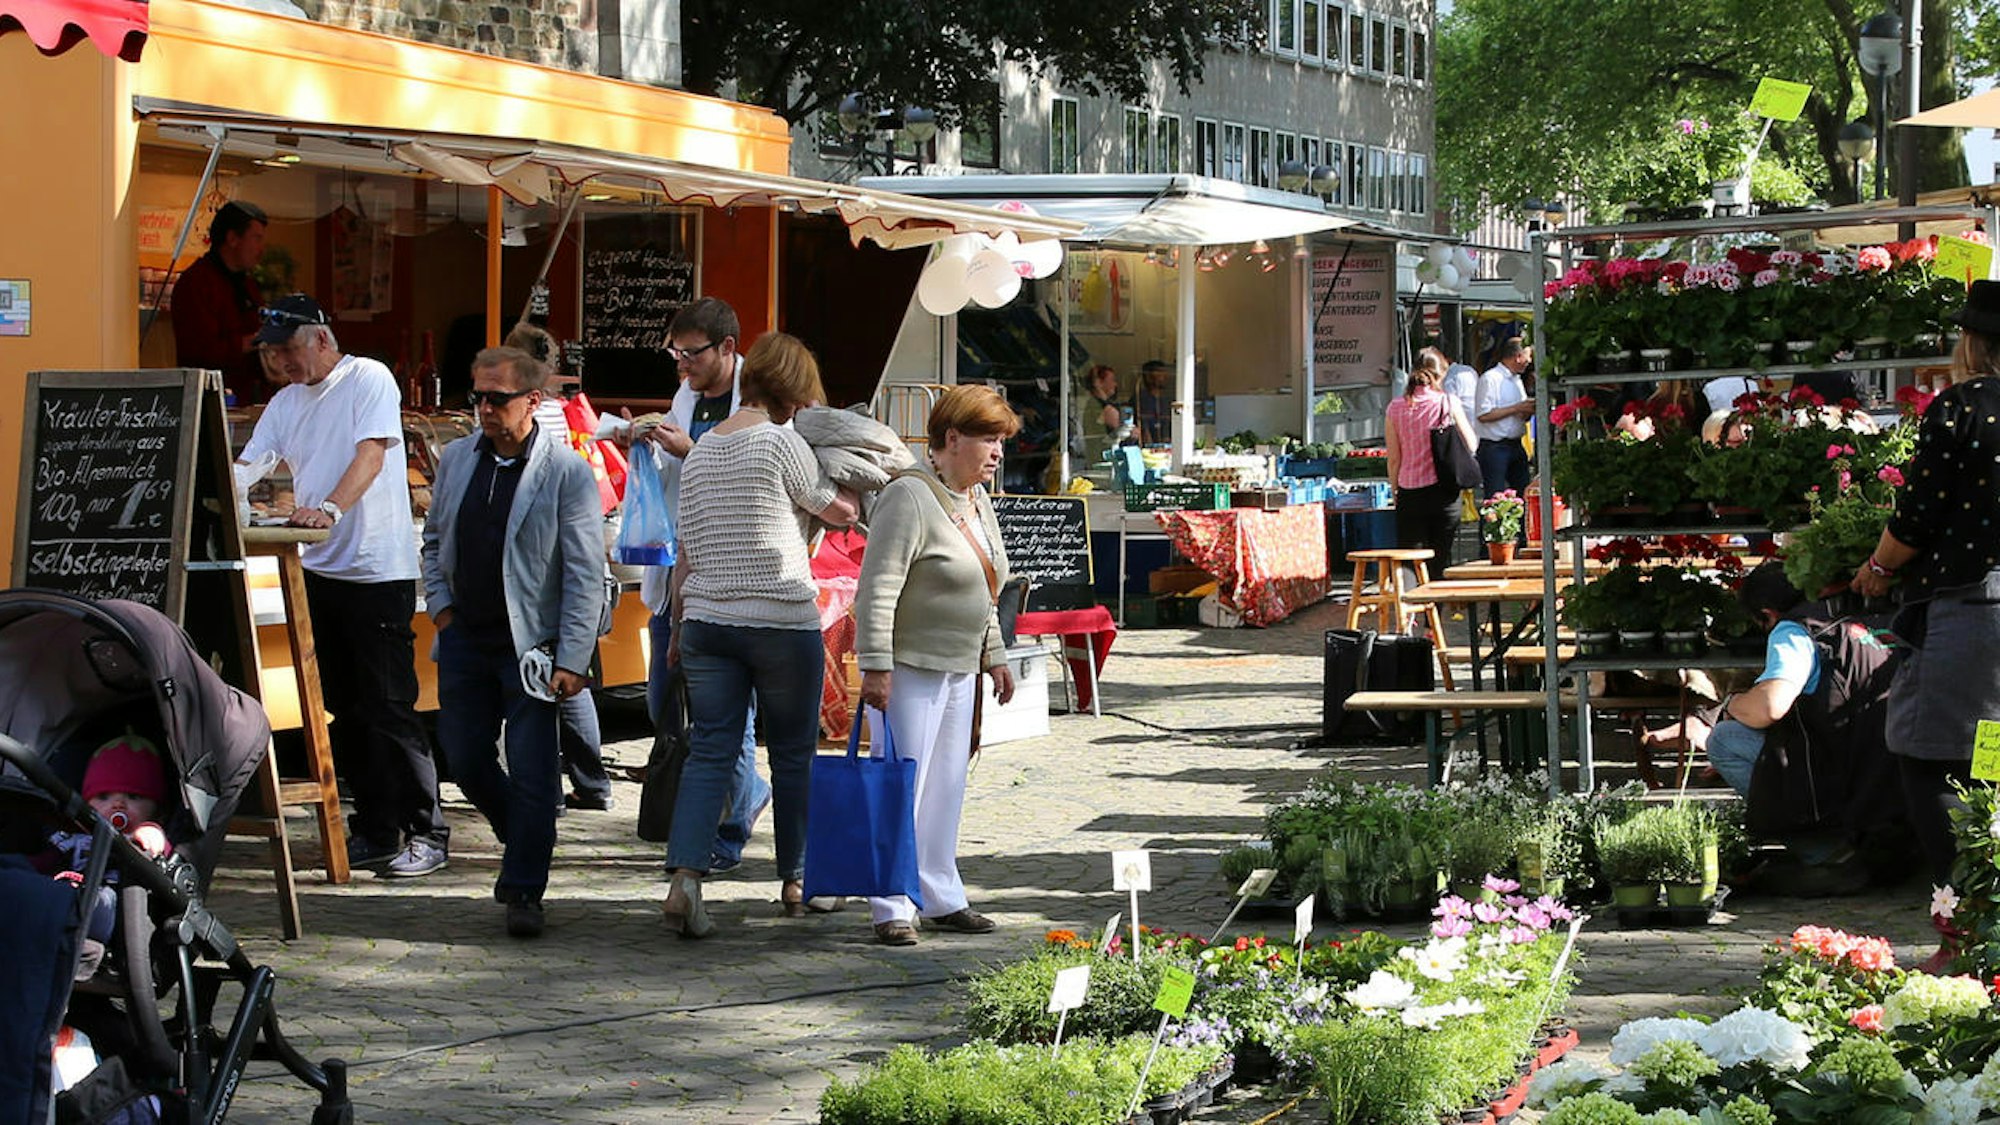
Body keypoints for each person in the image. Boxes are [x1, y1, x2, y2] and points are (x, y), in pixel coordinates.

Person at [240, 295, 449, 879]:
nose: (282, 361)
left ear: (323, 339)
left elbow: (372, 454)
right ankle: (375, 828)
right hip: (319, 569)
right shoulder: (284, 402)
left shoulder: (367, 378)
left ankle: (427, 829)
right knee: (342, 707)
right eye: (273, 351)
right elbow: (251, 463)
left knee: (388, 704)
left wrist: (330, 507)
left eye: (289, 348)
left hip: (376, 568)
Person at [660, 333, 858, 939]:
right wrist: (852, 487)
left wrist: (675, 626)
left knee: (712, 751)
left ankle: (685, 879)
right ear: (796, 393)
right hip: (778, 619)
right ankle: (798, 877)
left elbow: (686, 551)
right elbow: (837, 511)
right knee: (794, 754)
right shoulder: (782, 443)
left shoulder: (699, 455)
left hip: (706, 621)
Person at [421, 346, 604, 938]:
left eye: (497, 398)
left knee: (532, 772)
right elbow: (433, 541)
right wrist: (442, 611)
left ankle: (525, 886)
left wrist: (573, 657)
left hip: (532, 646)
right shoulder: (456, 459)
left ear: (533, 401)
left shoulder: (564, 470)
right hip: (465, 639)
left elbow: (583, 570)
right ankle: (522, 834)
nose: (485, 409)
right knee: (465, 756)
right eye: (477, 396)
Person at [1851, 279, 2000, 969]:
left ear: (1971, 343)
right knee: (1994, 760)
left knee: (1931, 757)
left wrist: (1877, 569)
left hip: (1975, 610)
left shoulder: (1963, 408)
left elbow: (1916, 518)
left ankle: (1964, 926)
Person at [853, 385, 1019, 947]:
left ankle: (940, 891)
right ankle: (890, 903)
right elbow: (876, 589)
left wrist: (993, 655)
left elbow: (987, 587)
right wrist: (875, 666)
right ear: (952, 439)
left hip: (957, 667)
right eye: (988, 440)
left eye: (1001, 441)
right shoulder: (909, 497)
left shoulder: (977, 501)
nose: (997, 452)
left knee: (946, 784)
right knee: (902, 783)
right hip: (908, 667)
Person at [631, 297, 773, 872]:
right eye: (676, 354)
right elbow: (679, 478)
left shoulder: (759, 397)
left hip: (732, 572)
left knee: (722, 712)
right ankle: (745, 796)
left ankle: (728, 832)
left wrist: (692, 451)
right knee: (664, 699)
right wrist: (645, 442)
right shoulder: (688, 394)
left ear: (728, 349)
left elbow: (754, 473)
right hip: (679, 568)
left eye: (692, 354)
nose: (682, 366)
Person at [1690, 564, 1899, 888]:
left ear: (1767, 613)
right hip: (1884, 768)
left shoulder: (1794, 631)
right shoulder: (1859, 620)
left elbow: (1769, 706)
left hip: (1839, 768)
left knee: (1725, 740)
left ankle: (1829, 855)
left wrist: (1730, 704)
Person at [507, 322, 614, 814]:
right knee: (570, 681)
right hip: (567, 560)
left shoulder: (536, 419)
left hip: (541, 565)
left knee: (544, 683)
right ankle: (592, 784)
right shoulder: (566, 413)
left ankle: (547, 791)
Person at [46, 736, 175, 946]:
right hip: (66, 892)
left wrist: (152, 834)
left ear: (157, 808)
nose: (118, 804)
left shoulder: (143, 835)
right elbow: (46, 858)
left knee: (97, 905)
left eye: (133, 797)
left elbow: (161, 851)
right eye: (103, 796)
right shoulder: (75, 835)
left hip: (115, 904)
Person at [1385, 349, 1478, 570]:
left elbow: (1394, 459)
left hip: (1409, 492)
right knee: (1439, 561)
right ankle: (1433, 605)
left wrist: (1394, 490)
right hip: (1443, 491)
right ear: (1441, 374)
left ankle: (1410, 602)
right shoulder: (1448, 402)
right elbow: (1472, 444)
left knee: (1409, 562)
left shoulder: (1395, 408)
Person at [171, 200, 270, 406]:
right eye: (257, 239)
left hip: (248, 399)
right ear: (233, 238)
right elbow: (199, 352)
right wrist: (253, 341)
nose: (261, 249)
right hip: (207, 402)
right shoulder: (196, 283)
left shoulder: (247, 285)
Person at [1472, 339, 1535, 499]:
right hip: (1494, 447)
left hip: (1516, 444)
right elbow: (1483, 414)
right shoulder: (1490, 378)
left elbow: (1520, 415)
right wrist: (1516, 408)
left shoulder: (1516, 380)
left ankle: (1521, 524)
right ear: (1518, 356)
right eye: (1528, 356)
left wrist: (1528, 410)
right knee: (1494, 498)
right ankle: (1491, 524)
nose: (1530, 361)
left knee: (1522, 496)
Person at [1072, 364, 1125, 465]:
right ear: (1099, 383)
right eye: (1112, 380)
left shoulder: (1098, 404)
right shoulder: (1095, 405)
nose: (1115, 384)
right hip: (1100, 461)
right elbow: (1117, 421)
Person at [1133, 360, 1173, 446]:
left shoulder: (1165, 400)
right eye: (1160, 373)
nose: (1165, 376)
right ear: (1148, 376)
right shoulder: (1140, 399)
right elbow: (1143, 426)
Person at [1436, 346, 1480, 422]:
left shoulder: (1448, 377)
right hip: (1476, 416)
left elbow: (1448, 404)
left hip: (1461, 419)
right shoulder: (1469, 370)